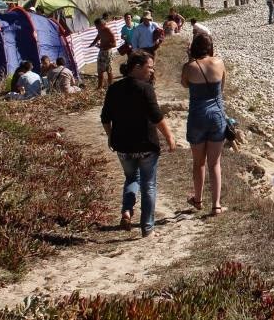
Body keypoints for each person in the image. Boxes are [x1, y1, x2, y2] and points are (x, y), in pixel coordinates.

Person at [101, 51, 176, 237]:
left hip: (123, 146)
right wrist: (169, 137)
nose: (152, 71)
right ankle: (147, 228)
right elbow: (156, 117)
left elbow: (105, 118)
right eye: (149, 67)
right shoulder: (145, 89)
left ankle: (127, 210)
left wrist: (111, 136)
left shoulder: (114, 88)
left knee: (131, 178)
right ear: (137, 67)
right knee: (148, 185)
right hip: (145, 145)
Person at [181, 34, 228, 215]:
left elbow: (184, 84)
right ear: (210, 47)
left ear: (193, 47)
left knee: (198, 163)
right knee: (214, 163)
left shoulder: (189, 67)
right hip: (217, 116)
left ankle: (198, 200)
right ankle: (216, 205)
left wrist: (190, 60)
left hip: (197, 117)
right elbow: (221, 88)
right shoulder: (219, 62)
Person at [89, 18, 117, 88]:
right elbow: (98, 37)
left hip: (108, 52)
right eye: (96, 26)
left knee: (108, 70)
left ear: (102, 25)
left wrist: (103, 46)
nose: (96, 28)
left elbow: (114, 44)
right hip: (101, 52)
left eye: (97, 26)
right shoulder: (100, 30)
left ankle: (110, 86)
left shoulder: (108, 31)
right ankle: (99, 86)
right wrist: (93, 43)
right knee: (99, 70)